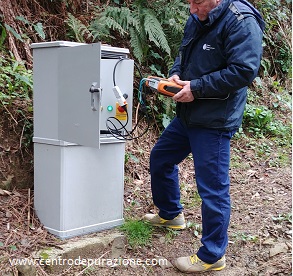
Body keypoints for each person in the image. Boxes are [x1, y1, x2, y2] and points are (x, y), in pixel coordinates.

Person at [143, 0, 265, 273]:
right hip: (188, 114)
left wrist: (197, 87)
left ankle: (212, 255)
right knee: (161, 158)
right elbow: (184, 53)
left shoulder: (241, 21)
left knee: (212, 189)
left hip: (214, 120)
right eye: (189, 2)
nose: (192, 9)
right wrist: (177, 73)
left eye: (198, 2)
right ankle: (171, 214)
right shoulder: (198, 16)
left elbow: (244, 71)